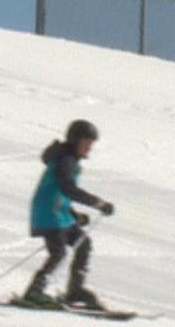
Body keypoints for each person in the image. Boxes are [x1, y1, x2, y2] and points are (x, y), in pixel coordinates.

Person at [22, 118, 116, 309]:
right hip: (48, 215)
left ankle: (75, 290)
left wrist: (74, 215)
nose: (89, 147)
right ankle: (34, 292)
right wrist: (98, 203)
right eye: (86, 142)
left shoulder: (69, 159)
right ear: (75, 140)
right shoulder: (66, 160)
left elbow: (61, 193)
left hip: (59, 214)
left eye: (91, 143)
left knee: (83, 244)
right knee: (58, 252)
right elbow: (68, 189)